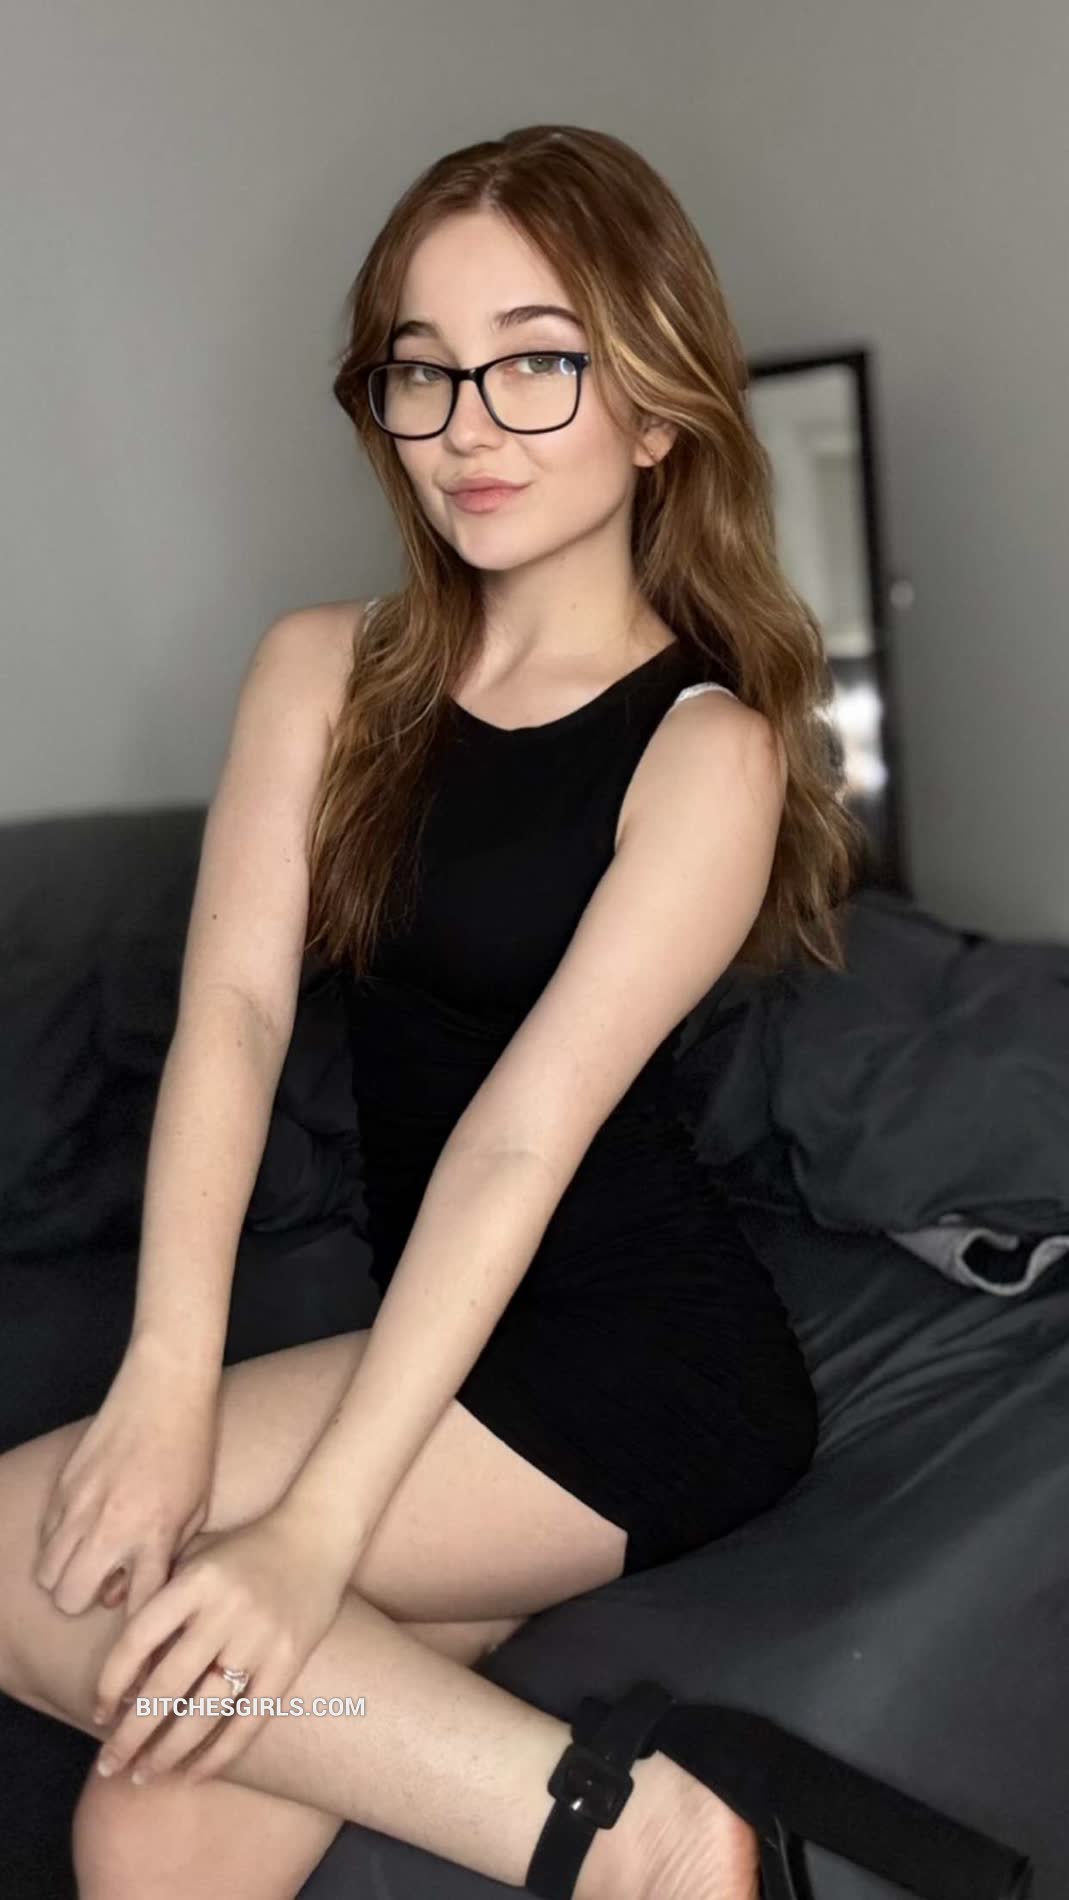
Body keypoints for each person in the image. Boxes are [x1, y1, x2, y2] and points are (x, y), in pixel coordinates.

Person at [1, 122, 956, 1900]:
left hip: (639, 1371)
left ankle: (646, 1839)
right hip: (441, 1343)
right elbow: (230, 1016)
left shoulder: (709, 751)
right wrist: (164, 1382)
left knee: (9, 1562)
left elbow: (521, 1137)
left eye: (535, 361)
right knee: (154, 1828)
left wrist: (313, 1531)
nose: (465, 425)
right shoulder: (321, 671)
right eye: (422, 369)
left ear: (654, 409)